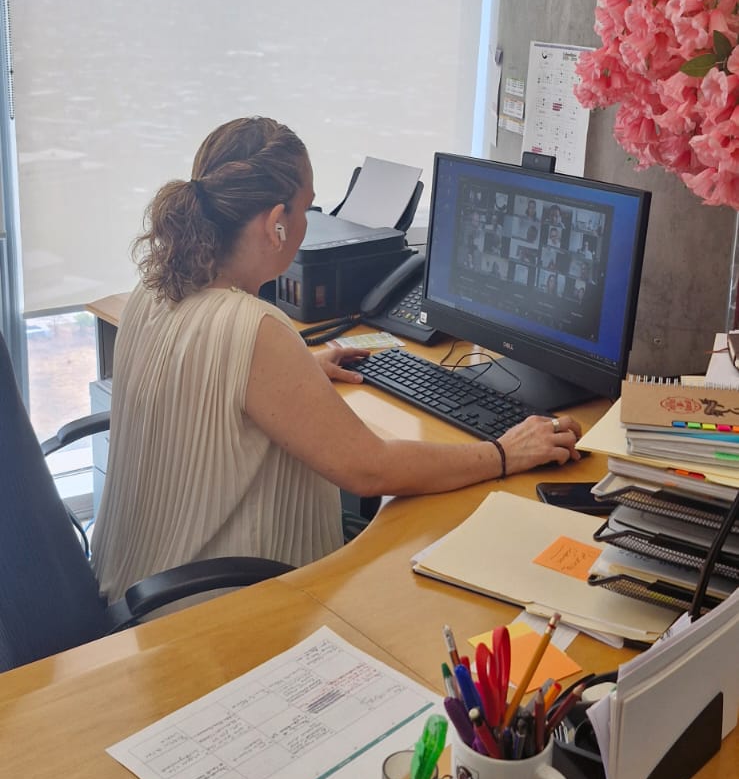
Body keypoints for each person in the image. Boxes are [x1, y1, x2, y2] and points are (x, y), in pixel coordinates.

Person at [91, 118, 581, 599]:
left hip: (134, 584)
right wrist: (505, 452)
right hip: (216, 609)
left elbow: (207, 383)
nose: (309, 222)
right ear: (276, 223)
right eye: (307, 207)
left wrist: (298, 375)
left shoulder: (150, 294)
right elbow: (370, 470)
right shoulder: (256, 329)